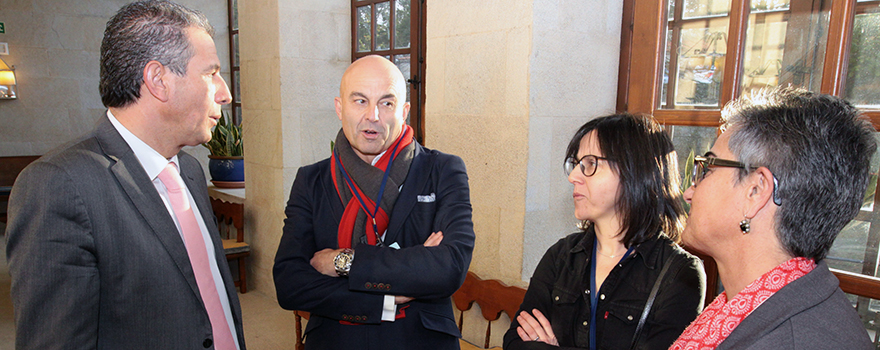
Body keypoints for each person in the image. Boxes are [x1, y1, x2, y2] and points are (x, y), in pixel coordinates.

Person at [4, 1, 246, 349]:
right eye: (211, 74)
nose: (225, 93)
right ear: (158, 80)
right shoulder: (57, 185)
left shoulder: (189, 170)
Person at [273, 55, 475, 349]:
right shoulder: (312, 180)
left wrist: (342, 262)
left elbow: (450, 267)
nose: (373, 116)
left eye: (386, 103)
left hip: (420, 339)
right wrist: (390, 297)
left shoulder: (442, 170)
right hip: (336, 339)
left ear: (404, 111)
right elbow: (289, 283)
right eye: (360, 101)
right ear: (339, 108)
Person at [670, 86, 875, 350]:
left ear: (756, 191)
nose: (689, 192)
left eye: (708, 169)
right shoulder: (773, 304)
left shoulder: (790, 340)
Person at [504, 114, 706, 350]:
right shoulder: (562, 255)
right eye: (576, 164)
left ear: (635, 170)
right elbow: (514, 342)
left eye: (590, 164)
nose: (572, 177)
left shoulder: (679, 272)